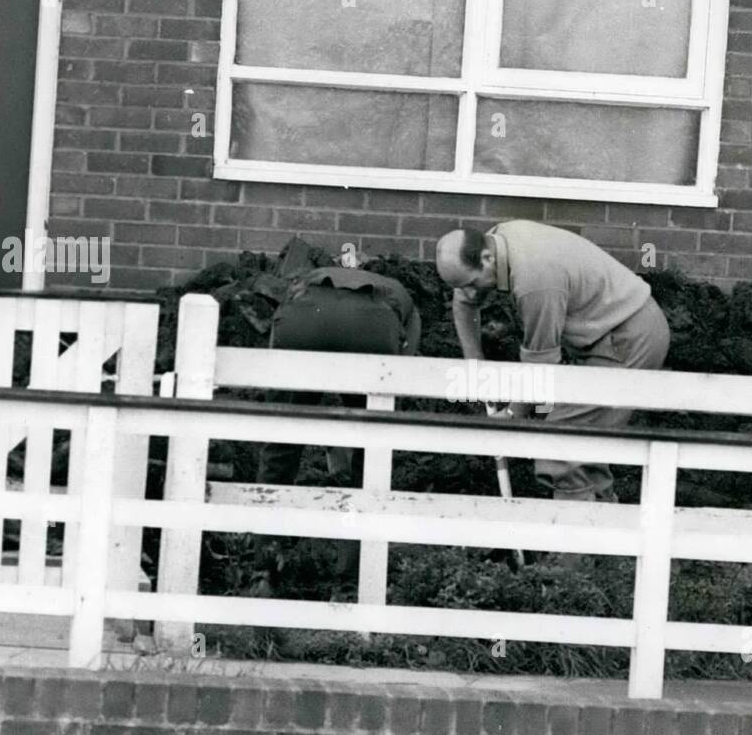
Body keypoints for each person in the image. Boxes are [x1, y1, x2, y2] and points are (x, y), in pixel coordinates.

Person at [435, 219, 670, 502]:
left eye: (472, 284)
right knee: (584, 444)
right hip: (607, 334)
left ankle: (573, 543)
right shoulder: (498, 240)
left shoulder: (535, 280)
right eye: (462, 285)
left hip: (629, 341)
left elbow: (541, 366)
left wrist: (512, 416)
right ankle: (602, 533)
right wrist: (476, 367)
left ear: (486, 258)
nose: (471, 293)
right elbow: (464, 302)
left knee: (556, 439)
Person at [256, 240, 421, 579]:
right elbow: (405, 367)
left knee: (282, 441)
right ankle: (351, 573)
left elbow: (278, 329)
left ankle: (264, 562)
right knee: (371, 448)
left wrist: (279, 397)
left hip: (303, 325)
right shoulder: (400, 294)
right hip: (372, 333)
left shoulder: (309, 279)